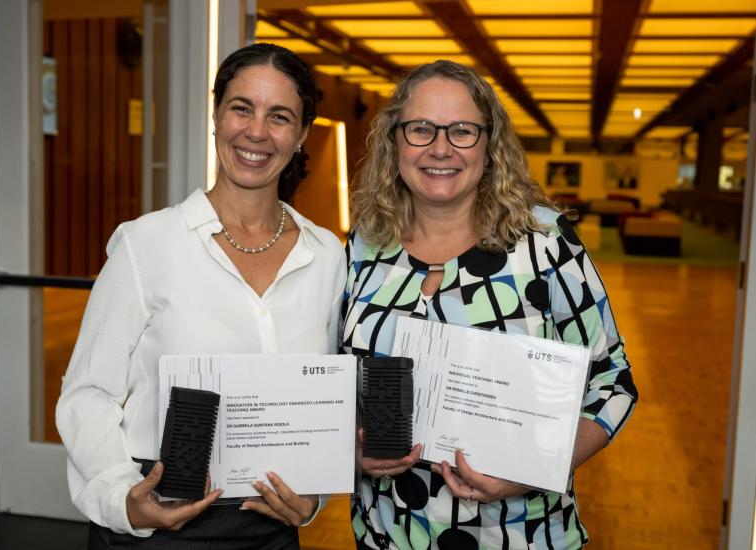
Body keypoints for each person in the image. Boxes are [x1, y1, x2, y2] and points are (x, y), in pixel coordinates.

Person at [56, 43, 346, 549]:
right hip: (158, 520)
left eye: (279, 116)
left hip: (270, 528)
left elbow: (325, 402)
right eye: (241, 108)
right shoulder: (146, 244)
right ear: (216, 116)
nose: (256, 132)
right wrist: (122, 497)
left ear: (301, 136)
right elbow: (88, 391)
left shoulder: (326, 257)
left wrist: (312, 499)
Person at [340, 60, 638, 549]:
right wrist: (352, 447)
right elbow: (338, 377)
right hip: (385, 534)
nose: (440, 148)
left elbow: (613, 382)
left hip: (520, 535)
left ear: (489, 144)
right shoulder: (364, 248)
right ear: (394, 141)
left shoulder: (542, 243)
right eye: (421, 129)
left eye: (462, 130)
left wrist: (537, 469)